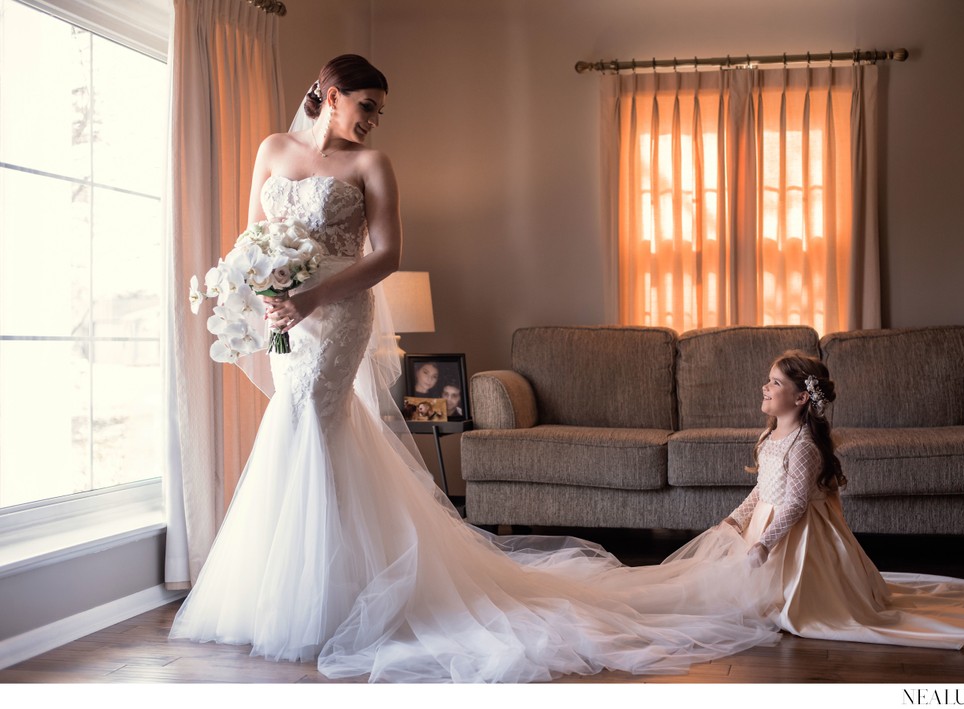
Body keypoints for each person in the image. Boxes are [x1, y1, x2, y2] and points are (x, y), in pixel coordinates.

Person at [168, 54, 780, 682]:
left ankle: (325, 601)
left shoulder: (371, 165)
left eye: (379, 110)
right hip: (287, 317)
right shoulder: (272, 148)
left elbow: (388, 256)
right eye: (367, 105)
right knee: (294, 427)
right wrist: (265, 294)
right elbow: (252, 238)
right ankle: (295, 590)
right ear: (330, 93)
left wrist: (314, 297)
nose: (375, 120)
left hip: (336, 314)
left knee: (312, 424)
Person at [647, 350, 964, 649]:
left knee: (788, 597)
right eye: (768, 380)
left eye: (774, 383)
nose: (764, 387)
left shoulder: (805, 446)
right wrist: (736, 519)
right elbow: (763, 489)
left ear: (800, 397)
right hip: (765, 522)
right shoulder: (769, 438)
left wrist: (764, 542)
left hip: (796, 535)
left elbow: (794, 504)